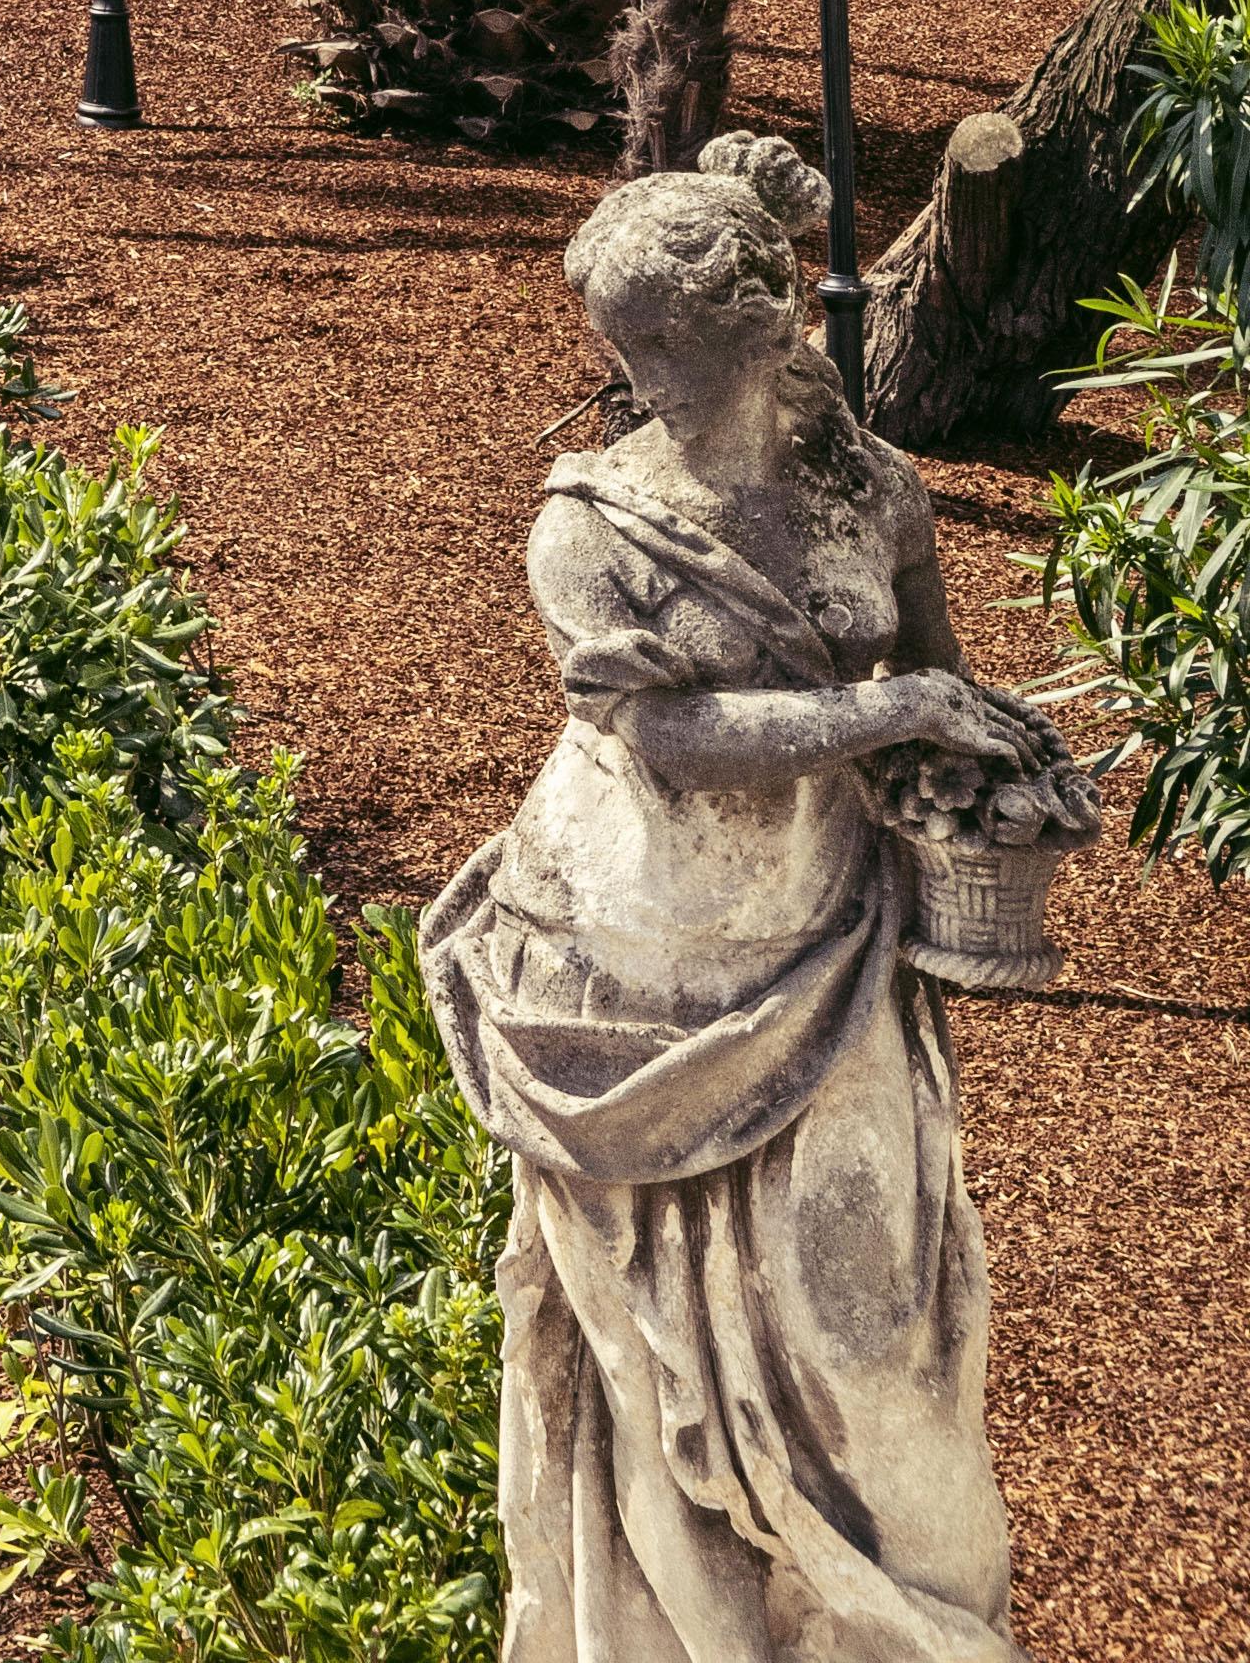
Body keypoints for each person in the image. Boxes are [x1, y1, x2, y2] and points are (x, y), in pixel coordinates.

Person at [416, 165, 1087, 1663]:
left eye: (664, 340)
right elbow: (666, 737)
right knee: (649, 1368)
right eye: (620, 340)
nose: (635, 374)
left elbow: (934, 691)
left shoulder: (872, 491)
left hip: (826, 951)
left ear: (768, 320)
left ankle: (896, 1631)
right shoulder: (592, 524)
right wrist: (899, 706)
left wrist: (995, 773)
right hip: (622, 967)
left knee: (870, 1338)